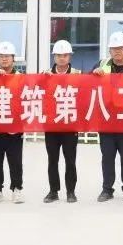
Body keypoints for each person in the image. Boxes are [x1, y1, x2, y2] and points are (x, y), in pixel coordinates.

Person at [93, 31, 123, 202]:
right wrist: (93, 74)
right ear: (109, 50)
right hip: (106, 120)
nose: (117, 51)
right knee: (107, 157)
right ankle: (107, 189)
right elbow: (87, 85)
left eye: (120, 48)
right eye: (114, 48)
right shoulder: (101, 65)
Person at [0, 41, 25, 204]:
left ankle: (17, 189)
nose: (4, 59)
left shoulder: (20, 77)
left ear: (13, 59)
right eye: (1, 56)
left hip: (14, 127)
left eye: (7, 56)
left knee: (15, 161)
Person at [43, 39, 80, 204]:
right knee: (52, 160)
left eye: (65, 55)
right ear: (54, 57)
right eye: (58, 55)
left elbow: (84, 96)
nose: (62, 58)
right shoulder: (45, 75)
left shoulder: (77, 74)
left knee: (70, 160)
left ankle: (71, 191)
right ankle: (53, 191)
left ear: (70, 56)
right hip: (51, 125)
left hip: (70, 125)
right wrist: (43, 81)